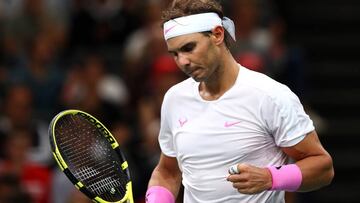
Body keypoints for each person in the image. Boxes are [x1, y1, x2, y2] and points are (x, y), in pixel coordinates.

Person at [145, 0, 334, 203]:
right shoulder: (174, 99)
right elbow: (168, 172)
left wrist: (271, 178)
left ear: (217, 35)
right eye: (175, 54)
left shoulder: (270, 95)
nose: (182, 61)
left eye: (189, 48)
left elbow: (323, 168)